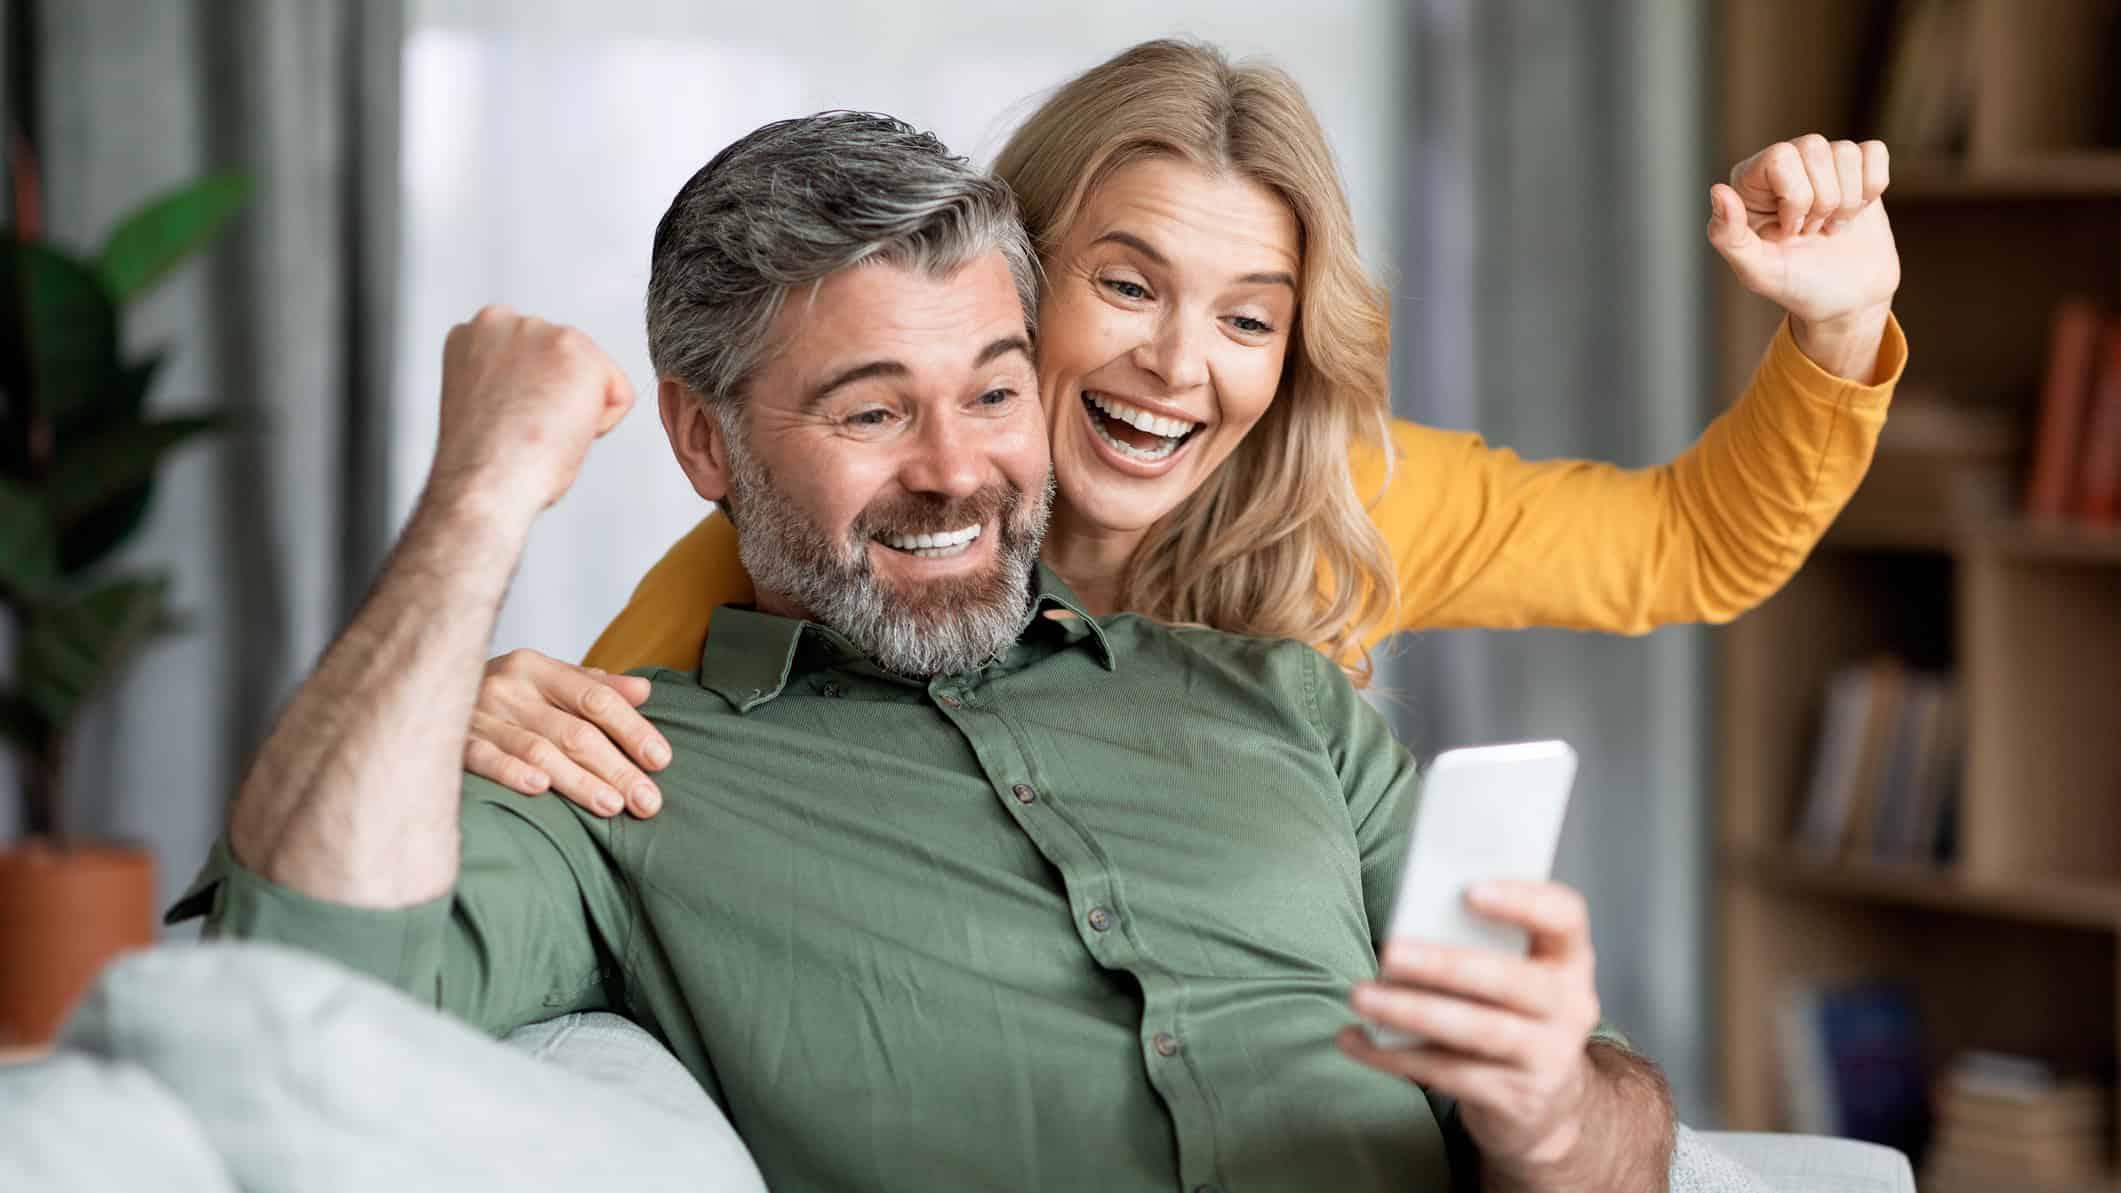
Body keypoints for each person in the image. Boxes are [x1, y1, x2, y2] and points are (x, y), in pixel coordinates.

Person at [175, 111, 1674, 1192]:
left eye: (997, 391)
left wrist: (1546, 1110)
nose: (958, 471)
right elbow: (296, 985)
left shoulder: (1282, 699)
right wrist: (480, 495)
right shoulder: (622, 780)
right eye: (873, 411)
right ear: (704, 440)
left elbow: (1618, 1130)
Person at [458, 40, 1906, 822]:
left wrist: (1836, 326)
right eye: (1129, 284)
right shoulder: (842, 531)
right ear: (1014, 279)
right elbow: (578, 763)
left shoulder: (1338, 498)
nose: (1176, 366)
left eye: (1246, 317)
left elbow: (1689, 547)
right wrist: (483, 711)